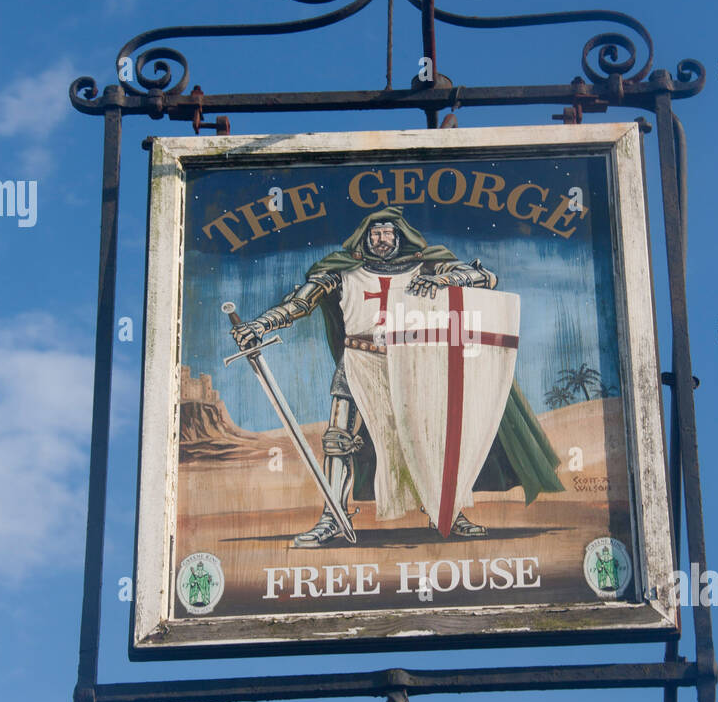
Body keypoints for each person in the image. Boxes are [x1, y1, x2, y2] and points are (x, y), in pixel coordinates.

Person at [232, 206, 563, 547]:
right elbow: (299, 304)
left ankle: (447, 511)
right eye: (375, 233)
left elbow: (485, 278)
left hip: (412, 363)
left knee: (432, 438)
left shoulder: (427, 266)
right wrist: (260, 325)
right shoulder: (341, 271)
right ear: (365, 237)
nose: (382, 239)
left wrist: (442, 280)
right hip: (358, 359)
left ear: (400, 235)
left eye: (388, 232)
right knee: (337, 440)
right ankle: (333, 517)